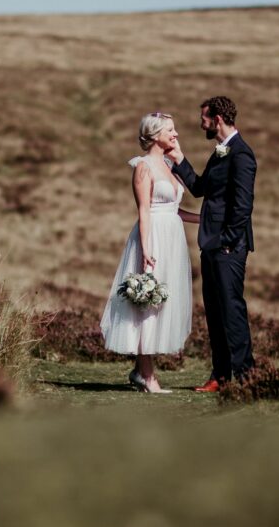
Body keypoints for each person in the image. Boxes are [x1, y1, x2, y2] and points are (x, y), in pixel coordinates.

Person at [100, 112, 198, 393]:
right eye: (171, 130)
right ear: (155, 135)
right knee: (147, 303)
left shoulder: (169, 164)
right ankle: (147, 376)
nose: (176, 134)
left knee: (162, 302)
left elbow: (173, 209)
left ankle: (139, 370)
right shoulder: (143, 167)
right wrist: (146, 250)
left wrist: (203, 218)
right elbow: (144, 210)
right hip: (153, 236)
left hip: (173, 239)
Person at [167, 96, 256, 391]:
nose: (200, 122)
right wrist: (178, 159)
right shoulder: (221, 152)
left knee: (232, 311)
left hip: (228, 247)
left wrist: (228, 242)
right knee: (215, 313)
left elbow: (243, 206)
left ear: (217, 119)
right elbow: (201, 187)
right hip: (212, 245)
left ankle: (245, 377)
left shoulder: (241, 155)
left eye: (204, 117)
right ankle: (220, 376)